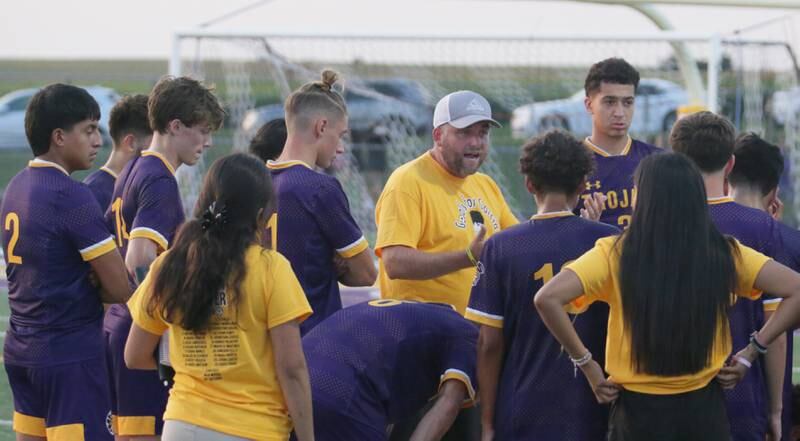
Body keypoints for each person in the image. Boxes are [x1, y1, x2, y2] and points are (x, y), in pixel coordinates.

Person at [534, 152, 800, 441]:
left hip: (637, 416)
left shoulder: (615, 254)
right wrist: (752, 351)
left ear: (645, 198)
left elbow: (547, 298)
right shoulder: (724, 252)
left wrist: (588, 365)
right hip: (704, 414)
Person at [124, 153, 314, 441]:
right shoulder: (271, 268)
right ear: (261, 214)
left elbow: (134, 355)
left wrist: (193, 367)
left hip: (181, 424)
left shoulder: (169, 264)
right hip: (253, 428)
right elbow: (291, 368)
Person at [465, 130, 619, 441]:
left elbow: (489, 344)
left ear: (529, 184)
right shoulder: (610, 241)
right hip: (594, 406)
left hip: (523, 407)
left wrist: (487, 421)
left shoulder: (501, 247)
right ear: (581, 185)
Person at [1, 84, 132, 440]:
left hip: (21, 348)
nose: (98, 140)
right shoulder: (72, 195)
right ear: (59, 136)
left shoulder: (15, 186)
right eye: (88, 129)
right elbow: (120, 288)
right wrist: (95, 282)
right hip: (67, 355)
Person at [104, 76, 225, 440]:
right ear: (175, 126)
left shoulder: (133, 168)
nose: (208, 142)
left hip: (119, 323)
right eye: (202, 130)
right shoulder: (159, 179)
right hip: (139, 329)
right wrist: (171, 319)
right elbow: (138, 260)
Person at [671, 112, 785, 441]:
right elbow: (774, 330)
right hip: (739, 392)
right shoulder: (760, 226)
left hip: (668, 396)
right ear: (730, 164)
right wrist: (775, 410)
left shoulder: (656, 221)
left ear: (676, 161)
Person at [375, 89, 518, 315]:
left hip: (474, 331)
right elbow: (395, 262)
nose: (475, 142)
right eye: (464, 132)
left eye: (483, 133)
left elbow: (517, 242)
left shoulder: (486, 185)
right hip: (423, 332)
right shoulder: (408, 182)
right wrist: (467, 257)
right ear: (438, 136)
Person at [267, 70, 376, 335]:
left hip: (259, 341)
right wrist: (331, 261)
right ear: (322, 127)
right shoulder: (319, 188)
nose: (340, 148)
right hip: (311, 338)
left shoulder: (251, 181)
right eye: (341, 136)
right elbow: (366, 274)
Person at [301, 300, 477, 441]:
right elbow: (448, 404)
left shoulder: (434, 315)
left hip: (295, 380)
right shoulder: (471, 339)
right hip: (342, 390)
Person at [728, 132, 799, 441]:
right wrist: (777, 409)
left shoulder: (696, 230)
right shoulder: (784, 240)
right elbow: (778, 335)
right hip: (758, 393)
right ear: (774, 191)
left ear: (727, 171)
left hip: (701, 393)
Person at [574, 57, 661, 229]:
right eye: (610, 102)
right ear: (589, 105)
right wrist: (586, 230)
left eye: (628, 102)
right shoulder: (569, 164)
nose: (620, 112)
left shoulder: (658, 161)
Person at [83, 94, 151, 211]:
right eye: (155, 143)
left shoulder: (144, 190)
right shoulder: (93, 195)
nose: (159, 151)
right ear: (131, 143)